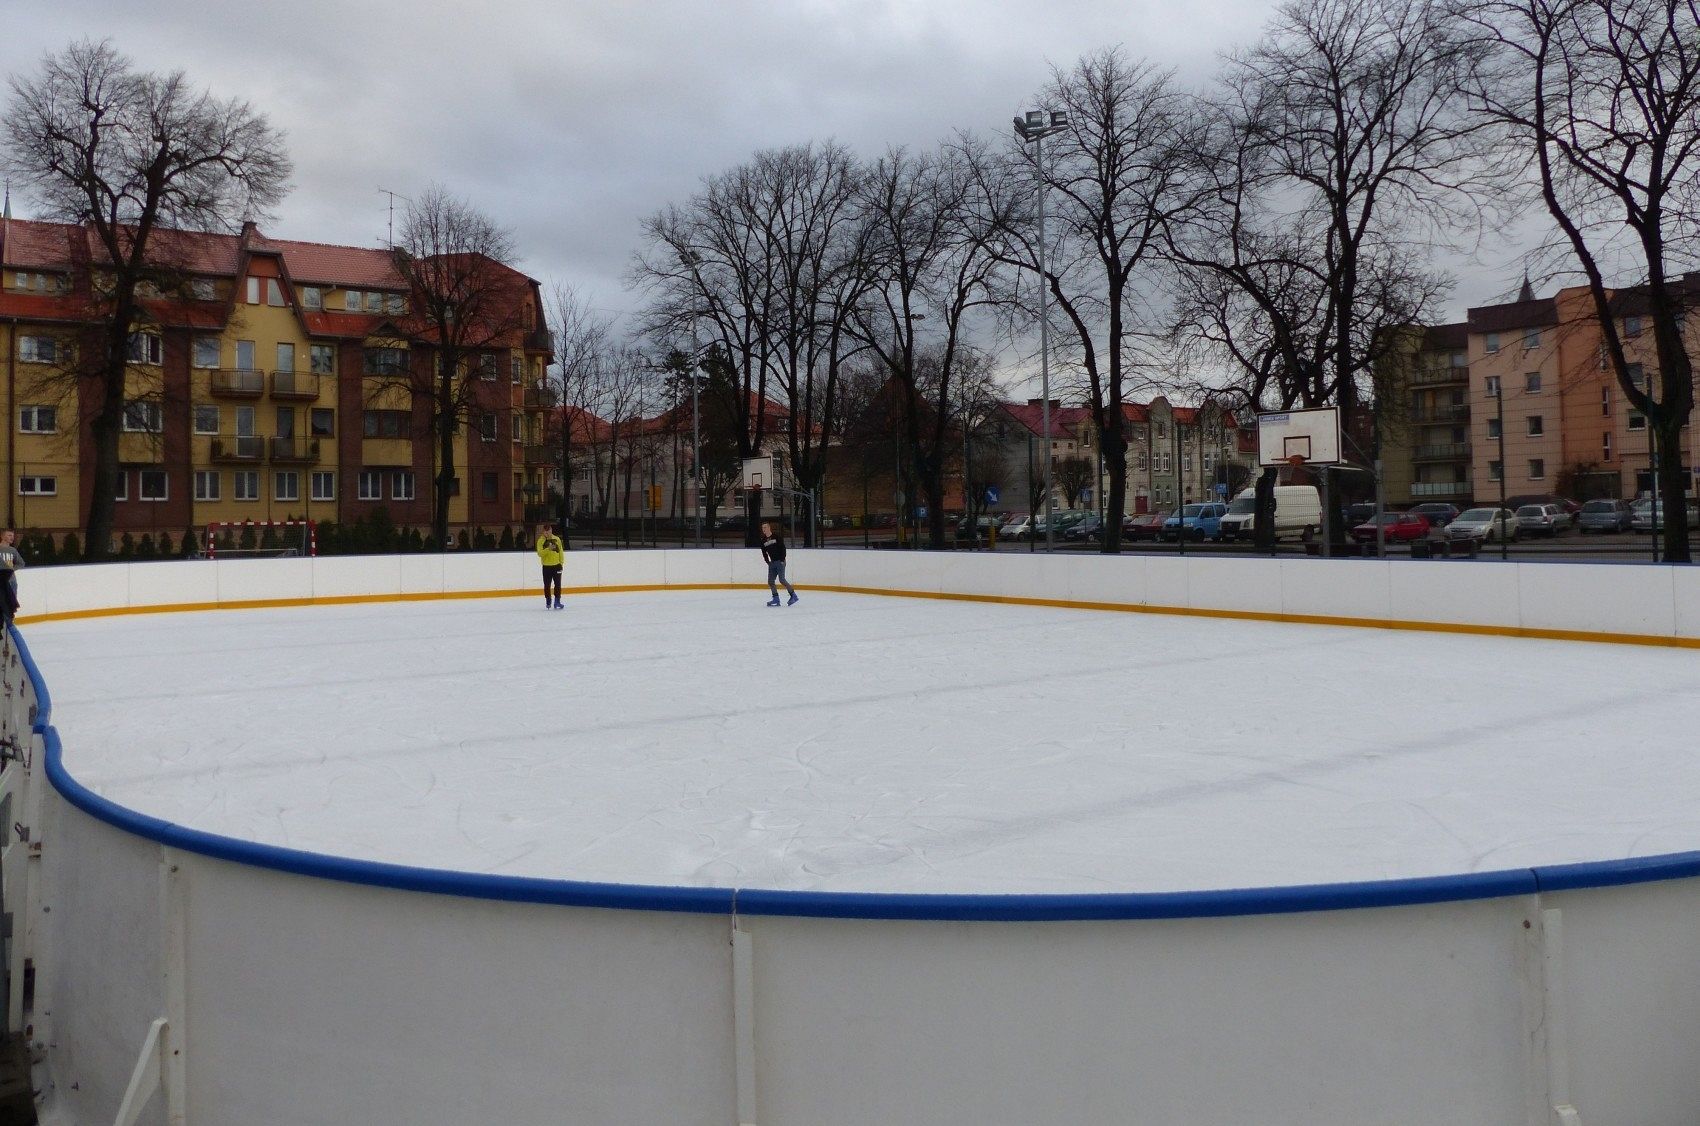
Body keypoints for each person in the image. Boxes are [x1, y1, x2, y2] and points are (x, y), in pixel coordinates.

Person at [759, 521, 797, 607]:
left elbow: (782, 548)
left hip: (780, 561)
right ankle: (776, 599)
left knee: (782, 580)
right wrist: (767, 561)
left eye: (765, 527)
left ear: (769, 528)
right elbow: (764, 552)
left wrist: (782, 559)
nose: (763, 529)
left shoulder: (776, 537)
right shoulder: (763, 540)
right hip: (772, 563)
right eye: (762, 528)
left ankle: (793, 595)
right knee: (770, 581)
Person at [535, 523, 564, 610]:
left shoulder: (557, 539)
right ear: (543, 532)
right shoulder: (540, 541)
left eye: (549, 531)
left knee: (558, 584)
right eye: (546, 532)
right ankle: (548, 599)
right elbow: (540, 554)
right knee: (547, 584)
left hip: (557, 565)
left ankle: (557, 601)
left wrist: (561, 563)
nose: (548, 533)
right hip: (546, 566)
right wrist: (548, 549)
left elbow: (561, 551)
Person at [0, 531, 22, 625]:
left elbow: (21, 563)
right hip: (1, 581)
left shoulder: (13, 550)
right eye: (9, 535)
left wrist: (11, 570)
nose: (12, 537)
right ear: (2, 536)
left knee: (11, 602)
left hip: (11, 580)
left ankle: (10, 621)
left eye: (13, 535)